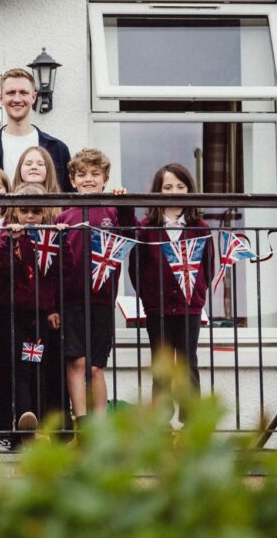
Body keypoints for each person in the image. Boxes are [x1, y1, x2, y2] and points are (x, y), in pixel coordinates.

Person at [55, 149, 134, 431]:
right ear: (73, 181)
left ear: (105, 179)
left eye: (95, 174)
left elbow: (131, 235)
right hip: (70, 300)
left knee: (96, 366)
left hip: (102, 300)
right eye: (82, 174)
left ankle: (101, 429)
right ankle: (83, 425)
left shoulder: (112, 211)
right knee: (76, 363)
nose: (88, 179)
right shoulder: (63, 216)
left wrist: (125, 205)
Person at [129, 163, 213, 422]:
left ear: (189, 190)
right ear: (157, 191)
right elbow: (136, 268)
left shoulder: (200, 227)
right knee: (162, 365)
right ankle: (161, 422)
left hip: (189, 307)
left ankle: (192, 421)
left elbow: (207, 268)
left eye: (180, 186)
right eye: (167, 187)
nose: (174, 191)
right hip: (158, 308)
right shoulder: (146, 227)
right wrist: (149, 297)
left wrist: (196, 294)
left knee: (188, 362)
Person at [0, 183, 69, 450]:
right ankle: (22, 416)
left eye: (36, 211)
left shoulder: (49, 239)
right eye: (24, 211)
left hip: (38, 321)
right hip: (12, 320)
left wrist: (53, 308)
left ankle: (33, 420)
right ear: (14, 213)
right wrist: (10, 243)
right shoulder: (7, 238)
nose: (30, 216)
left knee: (34, 365)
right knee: (16, 369)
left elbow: (59, 274)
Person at [0, 68, 71, 193]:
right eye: (10, 93)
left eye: (23, 92)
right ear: (1, 98)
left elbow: (69, 201)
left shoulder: (58, 149)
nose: (17, 99)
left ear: (34, 97)